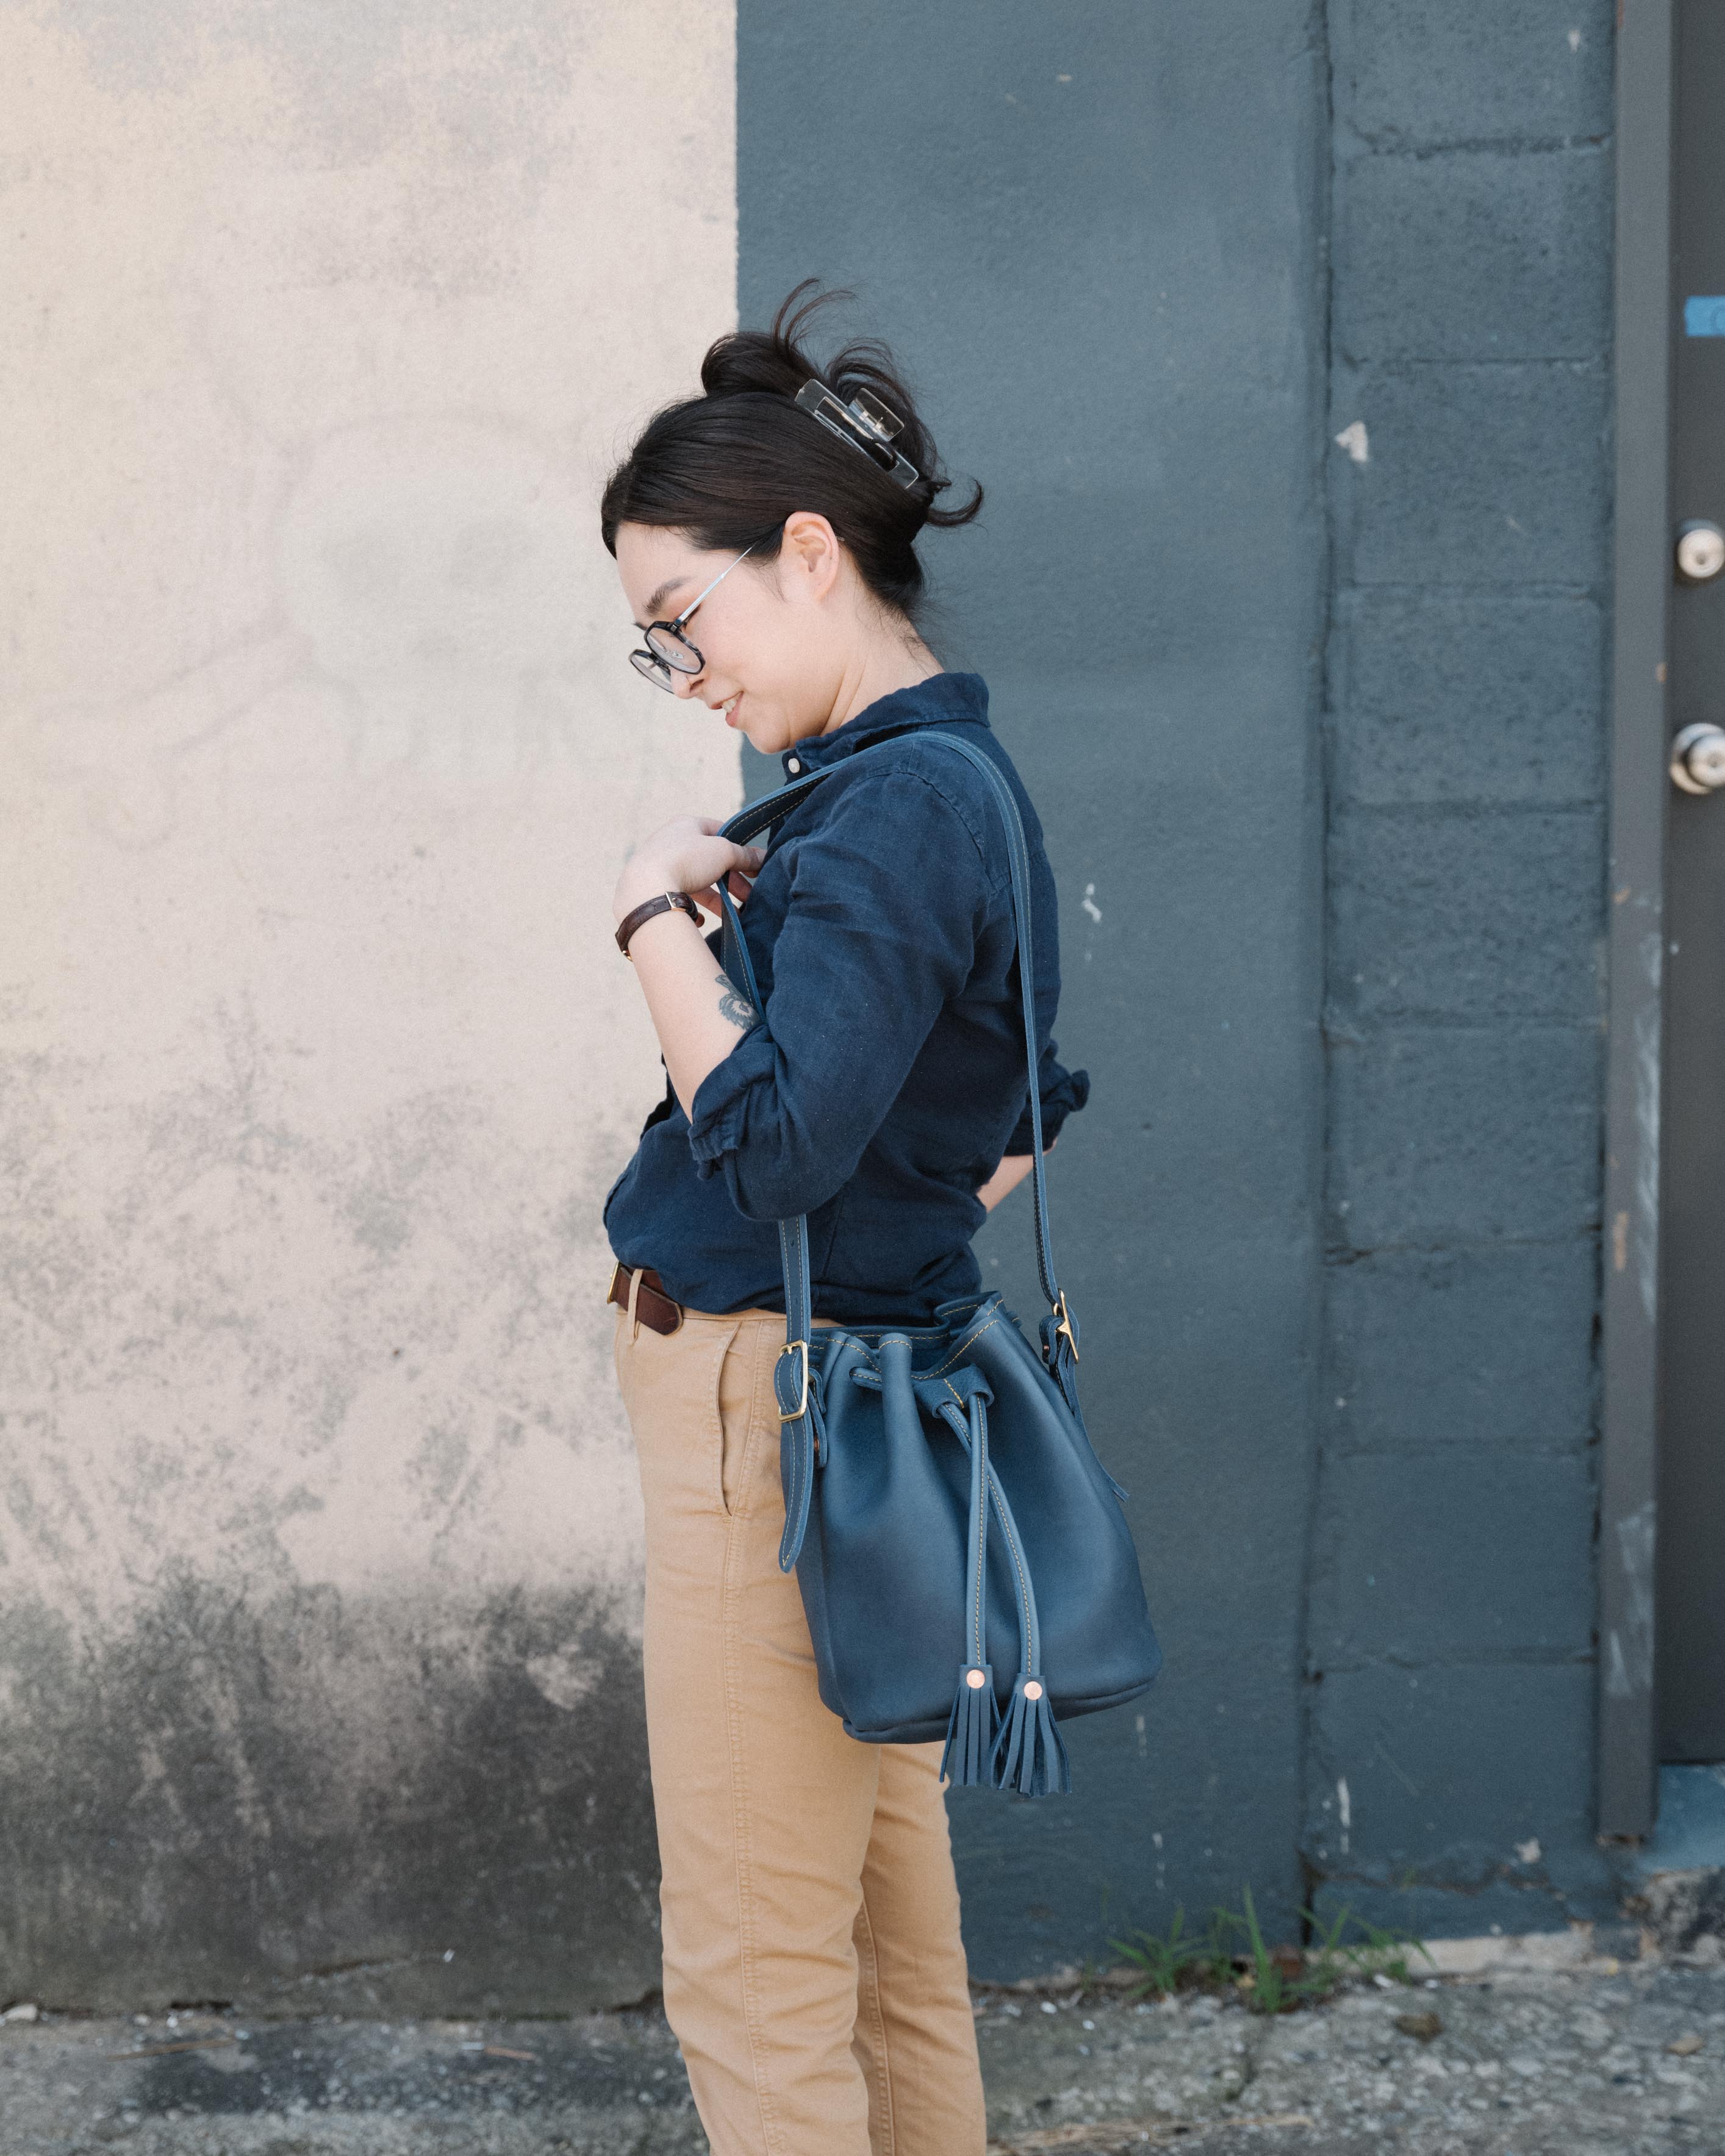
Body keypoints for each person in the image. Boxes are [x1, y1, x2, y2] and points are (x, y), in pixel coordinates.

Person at [598, 285, 1089, 2156]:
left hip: (770, 1417)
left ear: (805, 555)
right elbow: (1015, 1105)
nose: (682, 673)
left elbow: (784, 1148)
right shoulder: (943, 785)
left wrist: (652, 915)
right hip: (861, 1400)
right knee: (883, 1942)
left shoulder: (882, 815)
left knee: (754, 1967)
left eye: (679, 624)